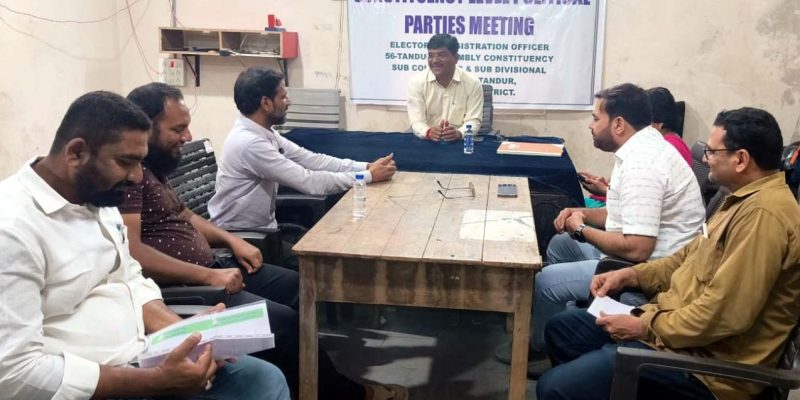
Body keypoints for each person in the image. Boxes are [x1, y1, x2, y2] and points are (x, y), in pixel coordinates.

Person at [124, 82, 406, 400]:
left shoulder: (156, 168)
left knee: (299, 286)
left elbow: (186, 215)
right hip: (196, 286)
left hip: (219, 262)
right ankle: (342, 394)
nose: (188, 136)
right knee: (285, 322)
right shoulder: (132, 177)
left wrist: (231, 242)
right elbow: (133, 252)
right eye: (178, 129)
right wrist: (208, 275)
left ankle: (305, 381)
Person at [0, 91, 289, 400]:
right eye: (126, 162)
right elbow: (14, 374)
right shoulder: (13, 229)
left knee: (263, 379)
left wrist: (186, 337)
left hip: (144, 354)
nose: (137, 177)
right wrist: (154, 381)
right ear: (76, 153)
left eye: (140, 162)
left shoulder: (97, 199)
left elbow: (131, 280)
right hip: (96, 385)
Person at [537, 107, 800, 400]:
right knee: (562, 330)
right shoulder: (739, 199)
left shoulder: (764, 216)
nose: (705, 159)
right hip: (675, 332)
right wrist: (630, 275)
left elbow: (724, 316)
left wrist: (643, 326)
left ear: (741, 159)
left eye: (712, 151)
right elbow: (684, 259)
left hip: (706, 370)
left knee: (554, 388)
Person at [526, 83, 705, 377]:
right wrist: (581, 213)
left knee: (544, 282)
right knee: (559, 243)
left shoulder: (643, 165)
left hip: (645, 269)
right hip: (635, 253)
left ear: (619, 124)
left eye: (596, 118)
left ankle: (537, 350)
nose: (591, 125)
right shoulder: (637, 149)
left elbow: (638, 248)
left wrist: (581, 228)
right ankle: (577, 319)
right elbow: (620, 215)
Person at [208, 67, 397, 231]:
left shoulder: (265, 133)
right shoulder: (250, 143)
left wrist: (366, 167)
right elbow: (310, 182)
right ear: (266, 103)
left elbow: (312, 160)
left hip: (265, 231)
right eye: (283, 97)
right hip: (243, 238)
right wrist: (368, 176)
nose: (288, 101)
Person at [578, 86, 692, 202]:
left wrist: (604, 190)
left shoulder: (662, 150)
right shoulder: (659, 144)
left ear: (660, 123)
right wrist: (607, 186)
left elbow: (642, 198)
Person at [407, 33, 484, 141]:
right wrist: (428, 132)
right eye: (431, 55)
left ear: (456, 58)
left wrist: (459, 133)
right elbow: (416, 121)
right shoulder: (417, 82)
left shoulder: (472, 83)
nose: (435, 61)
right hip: (428, 142)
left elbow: (473, 120)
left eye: (441, 55)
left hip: (458, 143)